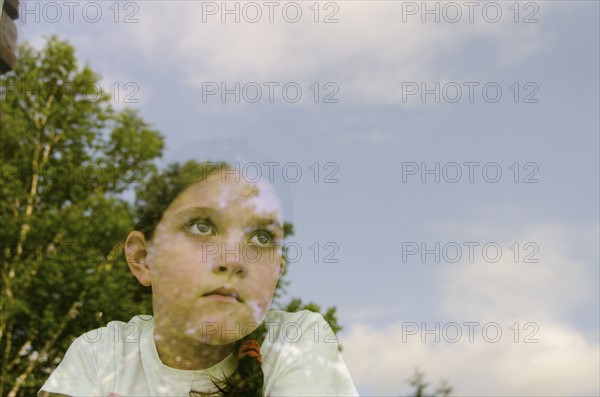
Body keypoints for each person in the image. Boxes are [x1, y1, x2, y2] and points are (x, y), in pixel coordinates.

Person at [38, 161, 358, 397]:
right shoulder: (100, 353)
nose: (235, 260)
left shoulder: (297, 340)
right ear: (143, 259)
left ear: (277, 271)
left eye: (261, 238)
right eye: (202, 227)